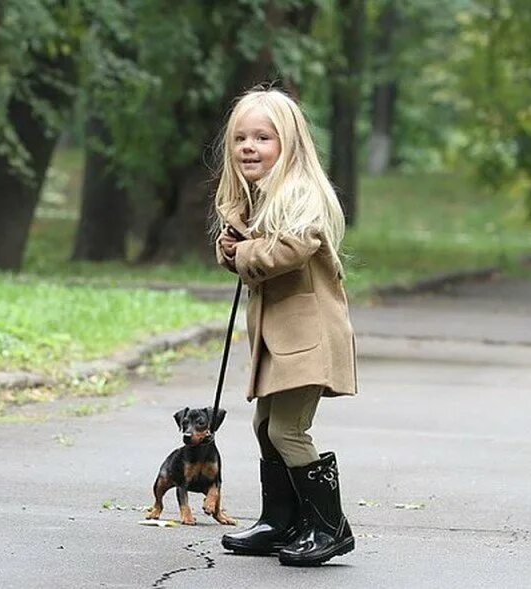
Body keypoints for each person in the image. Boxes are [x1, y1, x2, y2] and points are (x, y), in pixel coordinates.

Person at [214, 88, 358, 567]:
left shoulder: (302, 197)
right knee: (265, 426)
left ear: (290, 145)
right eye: (240, 138)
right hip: (279, 341)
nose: (248, 146)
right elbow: (241, 249)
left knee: (288, 431)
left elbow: (285, 253)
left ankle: (328, 527)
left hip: (307, 339)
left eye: (262, 137)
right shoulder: (255, 198)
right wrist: (233, 242)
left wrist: (243, 251)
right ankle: (281, 520)